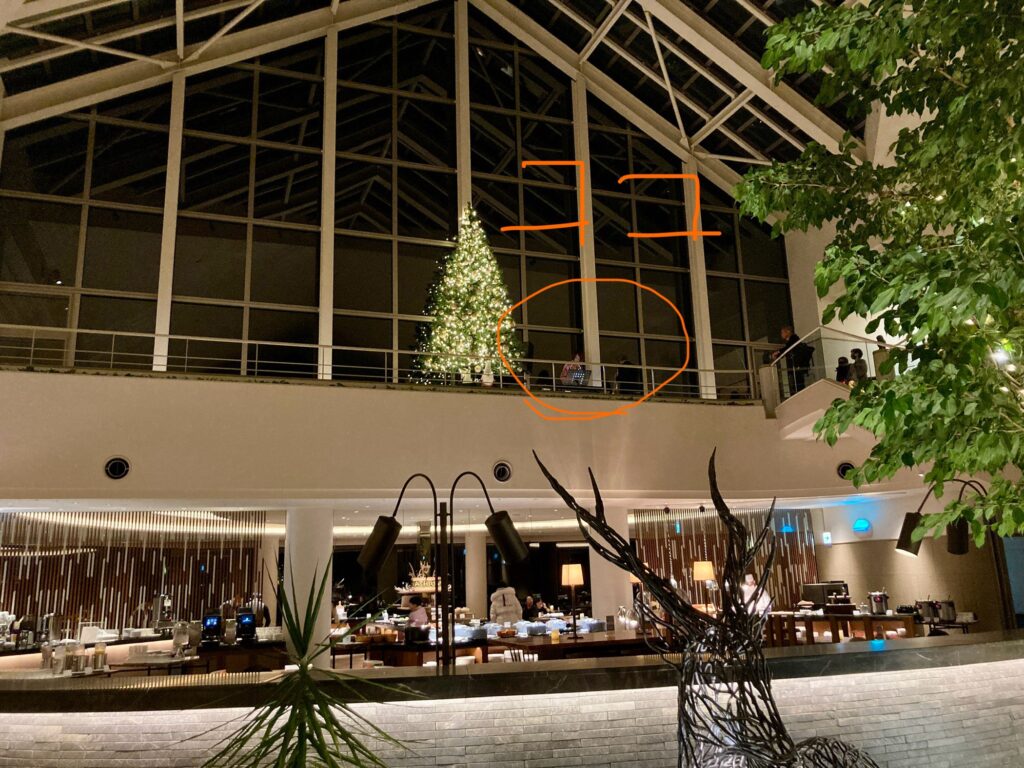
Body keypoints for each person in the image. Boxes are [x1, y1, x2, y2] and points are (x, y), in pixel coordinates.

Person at [772, 325, 814, 394]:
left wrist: (778, 352)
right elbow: (787, 350)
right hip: (796, 367)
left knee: (798, 384)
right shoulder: (791, 341)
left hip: (798, 366)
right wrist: (778, 355)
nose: (781, 335)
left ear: (788, 332)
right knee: (796, 384)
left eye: (782, 332)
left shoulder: (794, 338)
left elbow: (788, 348)